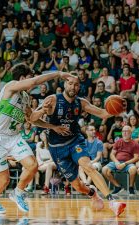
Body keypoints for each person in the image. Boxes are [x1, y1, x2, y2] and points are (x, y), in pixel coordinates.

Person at [30, 75, 127, 217]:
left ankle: (113, 202)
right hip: (57, 148)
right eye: (70, 83)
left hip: (75, 141)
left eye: (76, 85)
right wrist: (51, 123)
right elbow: (32, 119)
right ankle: (92, 193)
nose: (73, 87)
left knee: (88, 167)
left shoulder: (81, 103)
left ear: (79, 87)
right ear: (65, 85)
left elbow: (103, 113)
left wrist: (117, 109)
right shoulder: (52, 100)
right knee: (77, 185)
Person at [0, 64, 73, 214]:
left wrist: (52, 126)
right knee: (4, 180)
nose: (32, 83)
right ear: (23, 78)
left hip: (13, 137)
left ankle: (18, 192)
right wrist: (57, 73)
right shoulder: (10, 87)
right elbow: (33, 82)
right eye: (29, 77)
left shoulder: (25, 97)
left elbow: (31, 119)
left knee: (33, 165)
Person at [102, 125, 139, 195]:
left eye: (127, 131)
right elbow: (112, 154)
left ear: (131, 133)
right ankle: (118, 186)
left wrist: (124, 164)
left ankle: (131, 187)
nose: (125, 133)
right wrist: (116, 162)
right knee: (104, 170)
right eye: (123, 131)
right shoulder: (118, 141)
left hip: (128, 163)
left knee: (133, 169)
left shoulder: (135, 143)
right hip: (117, 162)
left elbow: (136, 158)